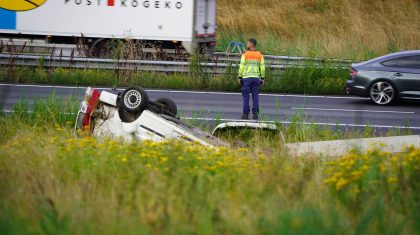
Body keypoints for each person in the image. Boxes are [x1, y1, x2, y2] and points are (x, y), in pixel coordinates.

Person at [238, 39, 266, 120]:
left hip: (246, 78)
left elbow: (241, 67)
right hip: (256, 78)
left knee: (246, 96)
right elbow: (263, 68)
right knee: (255, 96)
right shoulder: (260, 55)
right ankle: (255, 114)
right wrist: (262, 78)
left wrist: (240, 77)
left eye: (247, 43)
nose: (246, 44)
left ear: (250, 44)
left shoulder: (245, 54)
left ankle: (245, 114)